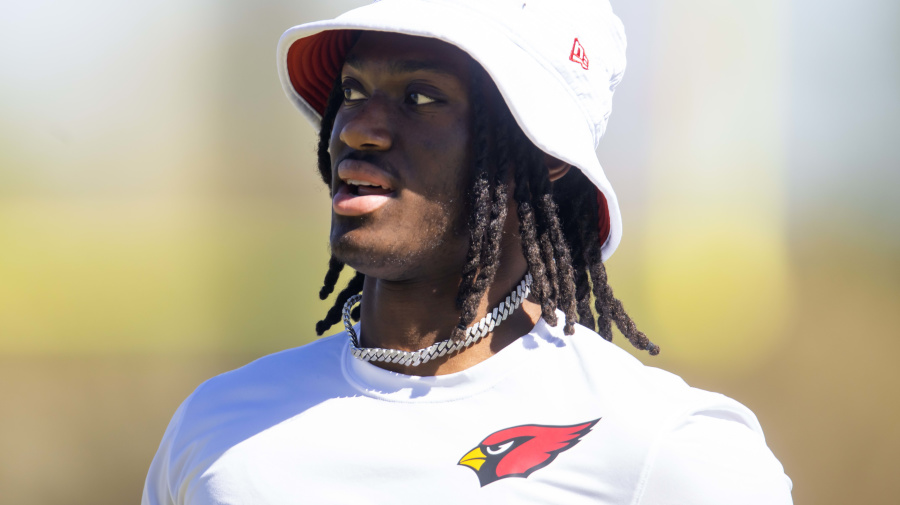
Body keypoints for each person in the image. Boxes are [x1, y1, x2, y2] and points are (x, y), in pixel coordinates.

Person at [142, 1, 794, 503]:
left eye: (421, 97)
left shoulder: (665, 448)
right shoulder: (217, 428)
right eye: (353, 90)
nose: (357, 127)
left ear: (539, 158)